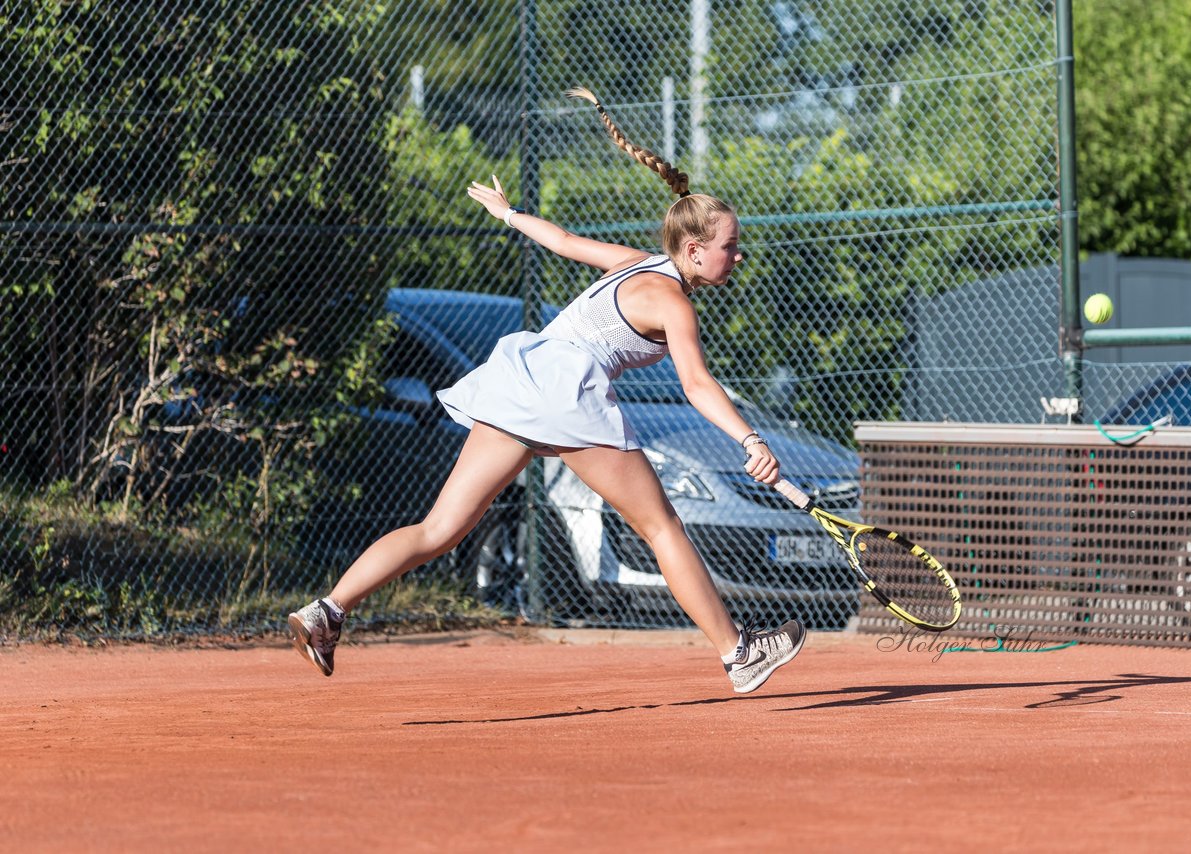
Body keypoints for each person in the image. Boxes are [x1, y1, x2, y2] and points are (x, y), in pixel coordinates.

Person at [288, 87, 805, 694]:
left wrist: (508, 215)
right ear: (694, 250)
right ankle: (738, 652)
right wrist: (749, 438)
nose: (737, 257)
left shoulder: (635, 262)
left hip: (520, 377)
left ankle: (329, 608)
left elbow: (558, 239)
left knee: (439, 529)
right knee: (662, 527)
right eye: (729, 247)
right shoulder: (673, 303)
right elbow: (695, 383)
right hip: (566, 392)